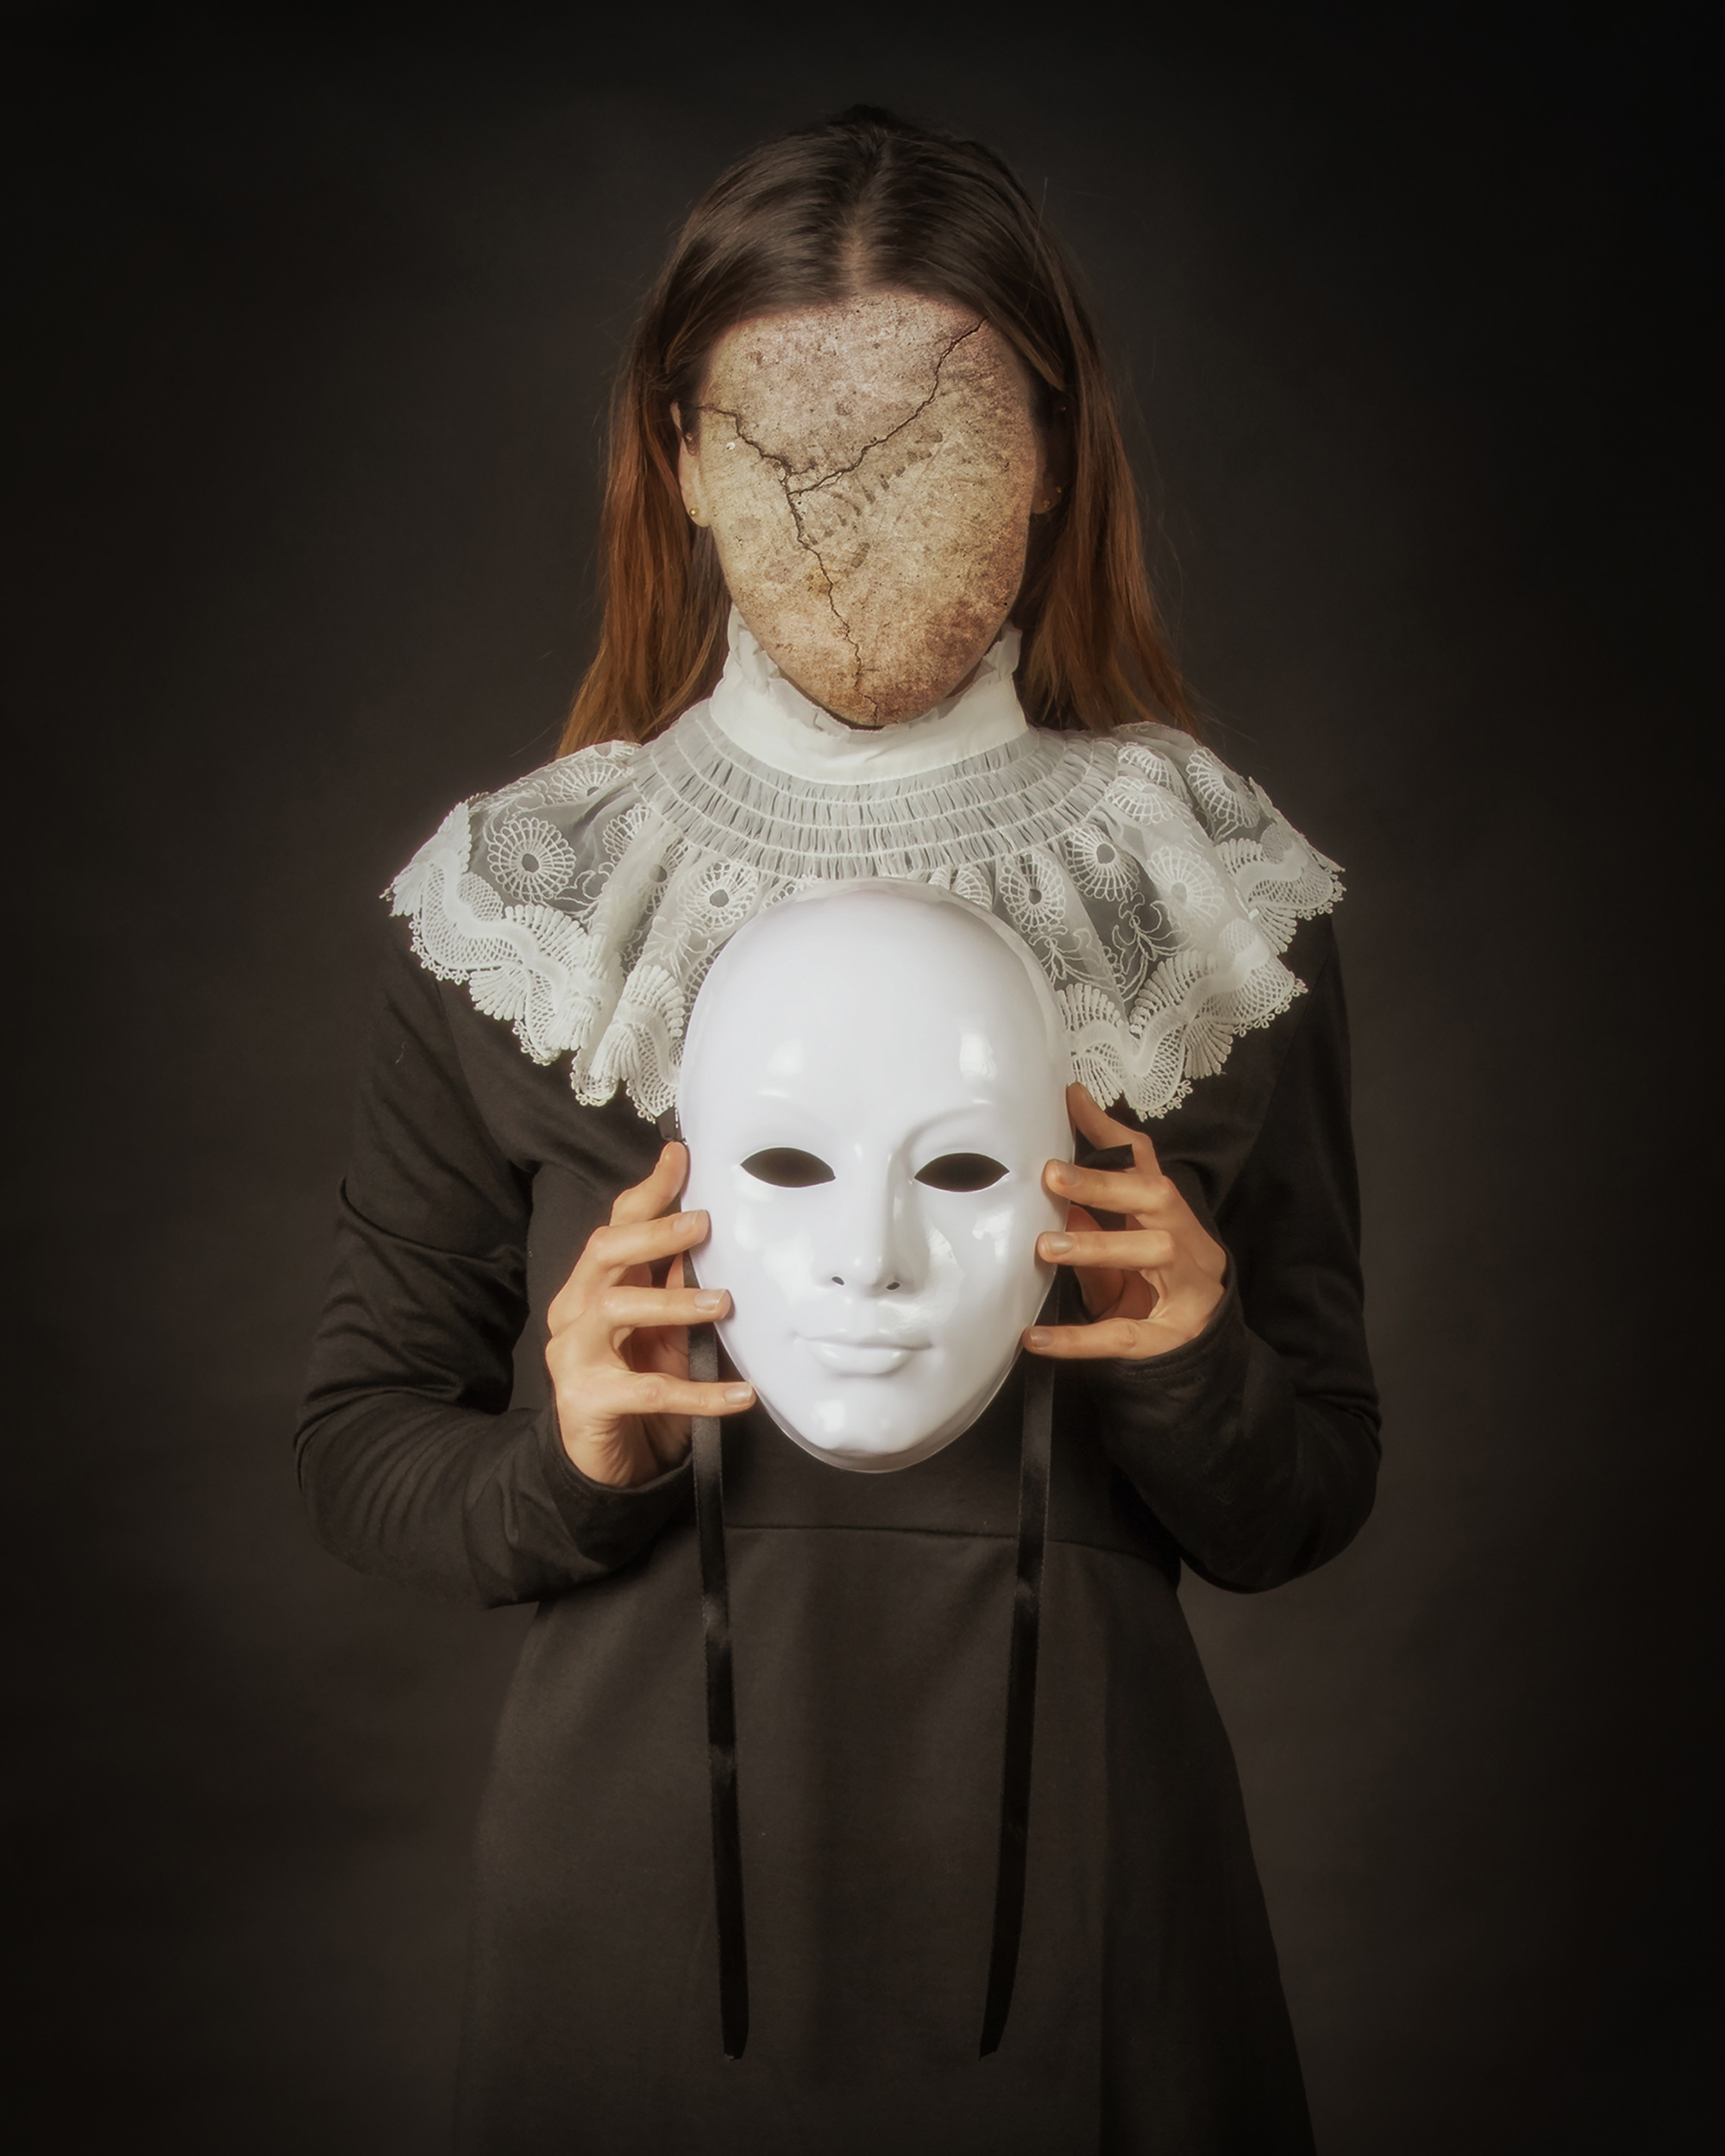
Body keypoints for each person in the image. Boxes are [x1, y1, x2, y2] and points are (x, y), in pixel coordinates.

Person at [297, 105, 1379, 2155]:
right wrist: (568, 1463)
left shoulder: (1205, 902)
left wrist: (1195, 1365)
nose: (851, 525)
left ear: (1048, 452)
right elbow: (359, 1437)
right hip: (629, 1907)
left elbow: (1311, 1483)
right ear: (685, 459)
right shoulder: (527, 907)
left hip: (1094, 1896)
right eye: (792, 450)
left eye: (932, 445)